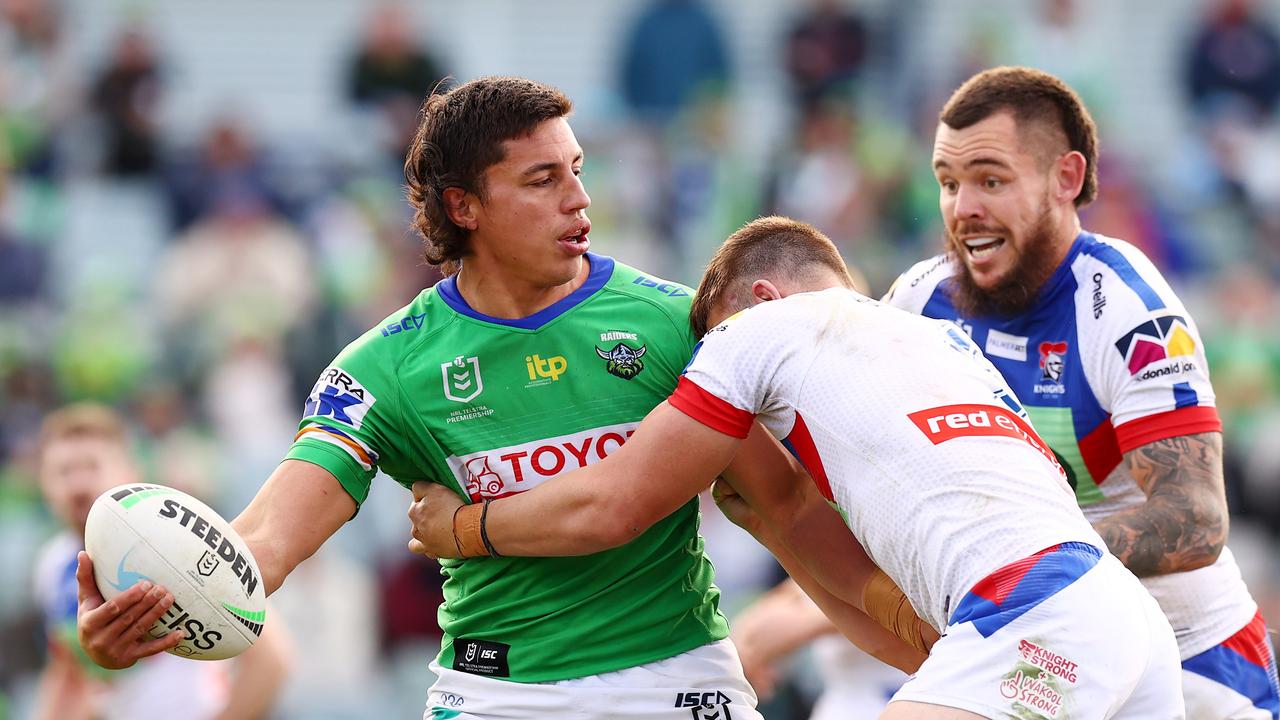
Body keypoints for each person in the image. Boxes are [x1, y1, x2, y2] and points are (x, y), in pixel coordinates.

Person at [76, 76, 796, 720]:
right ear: (465, 206)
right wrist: (144, 623)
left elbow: (782, 504)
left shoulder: (674, 322)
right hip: (496, 693)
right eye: (543, 179)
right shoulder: (383, 368)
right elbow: (263, 546)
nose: (579, 198)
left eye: (576, 171)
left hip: (678, 678)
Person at [407, 215, 1184, 719]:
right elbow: (903, 632)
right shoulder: (941, 349)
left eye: (711, 343)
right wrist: (773, 525)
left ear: (764, 297)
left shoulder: (761, 330)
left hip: (1040, 614)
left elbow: (613, 506)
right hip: (1120, 619)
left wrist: (464, 527)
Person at [883, 65, 1280, 719]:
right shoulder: (917, 303)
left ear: (1066, 179)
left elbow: (1196, 518)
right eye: (948, 183)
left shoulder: (1124, 309)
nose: (963, 209)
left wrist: (1019, 568)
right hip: (1039, 635)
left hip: (1193, 658)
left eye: (990, 180)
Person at [33, 403, 289, 720]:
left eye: (91, 466)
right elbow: (69, 671)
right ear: (44, 484)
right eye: (64, 472)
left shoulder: (172, 538)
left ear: (129, 471)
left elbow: (271, 661)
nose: (78, 486)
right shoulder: (53, 565)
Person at [731, 579, 906, 719]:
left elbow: (904, 602)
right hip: (845, 700)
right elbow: (796, 587)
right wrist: (746, 640)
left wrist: (808, 622)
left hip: (901, 697)